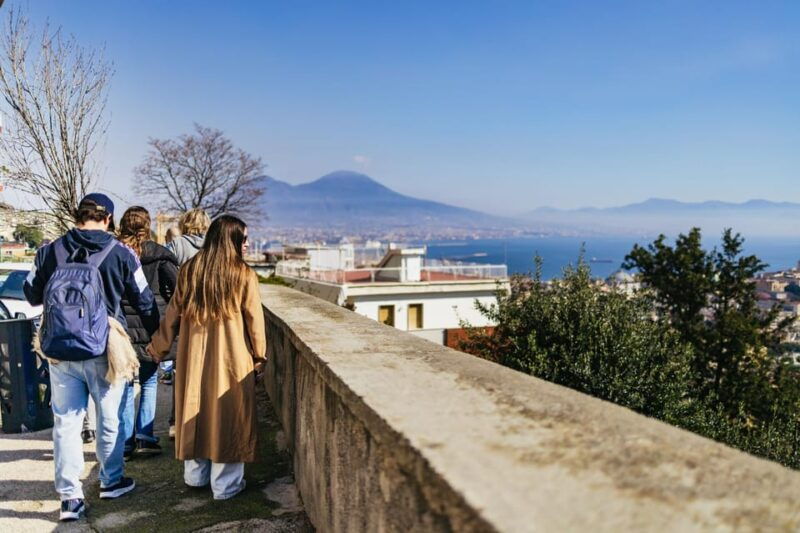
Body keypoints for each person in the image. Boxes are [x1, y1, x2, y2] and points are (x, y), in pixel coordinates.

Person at [23, 193, 159, 521]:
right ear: (108, 219)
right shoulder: (122, 252)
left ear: (76, 214)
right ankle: (111, 481)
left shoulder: (48, 250)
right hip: (105, 346)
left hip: (59, 348)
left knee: (66, 422)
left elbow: (30, 293)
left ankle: (70, 498)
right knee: (109, 416)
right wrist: (155, 336)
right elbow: (144, 301)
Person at [147, 215, 266, 500]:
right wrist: (260, 356)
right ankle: (225, 485)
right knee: (228, 417)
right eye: (244, 239)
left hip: (194, 357)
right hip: (232, 359)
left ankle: (195, 476)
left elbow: (172, 314)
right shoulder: (243, 274)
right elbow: (255, 322)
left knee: (194, 411)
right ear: (232, 241)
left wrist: (157, 348)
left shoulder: (190, 270)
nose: (248, 245)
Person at [117, 207, 179, 459]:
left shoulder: (114, 253)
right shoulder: (160, 256)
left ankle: (126, 443)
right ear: (148, 225)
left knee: (125, 385)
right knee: (149, 380)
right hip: (152, 322)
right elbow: (178, 290)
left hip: (122, 328)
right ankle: (145, 436)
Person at [163, 208, 210, 437]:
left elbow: (164, 271)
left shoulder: (177, 245)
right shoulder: (214, 247)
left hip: (184, 313)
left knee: (181, 370)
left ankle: (176, 421)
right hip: (210, 314)